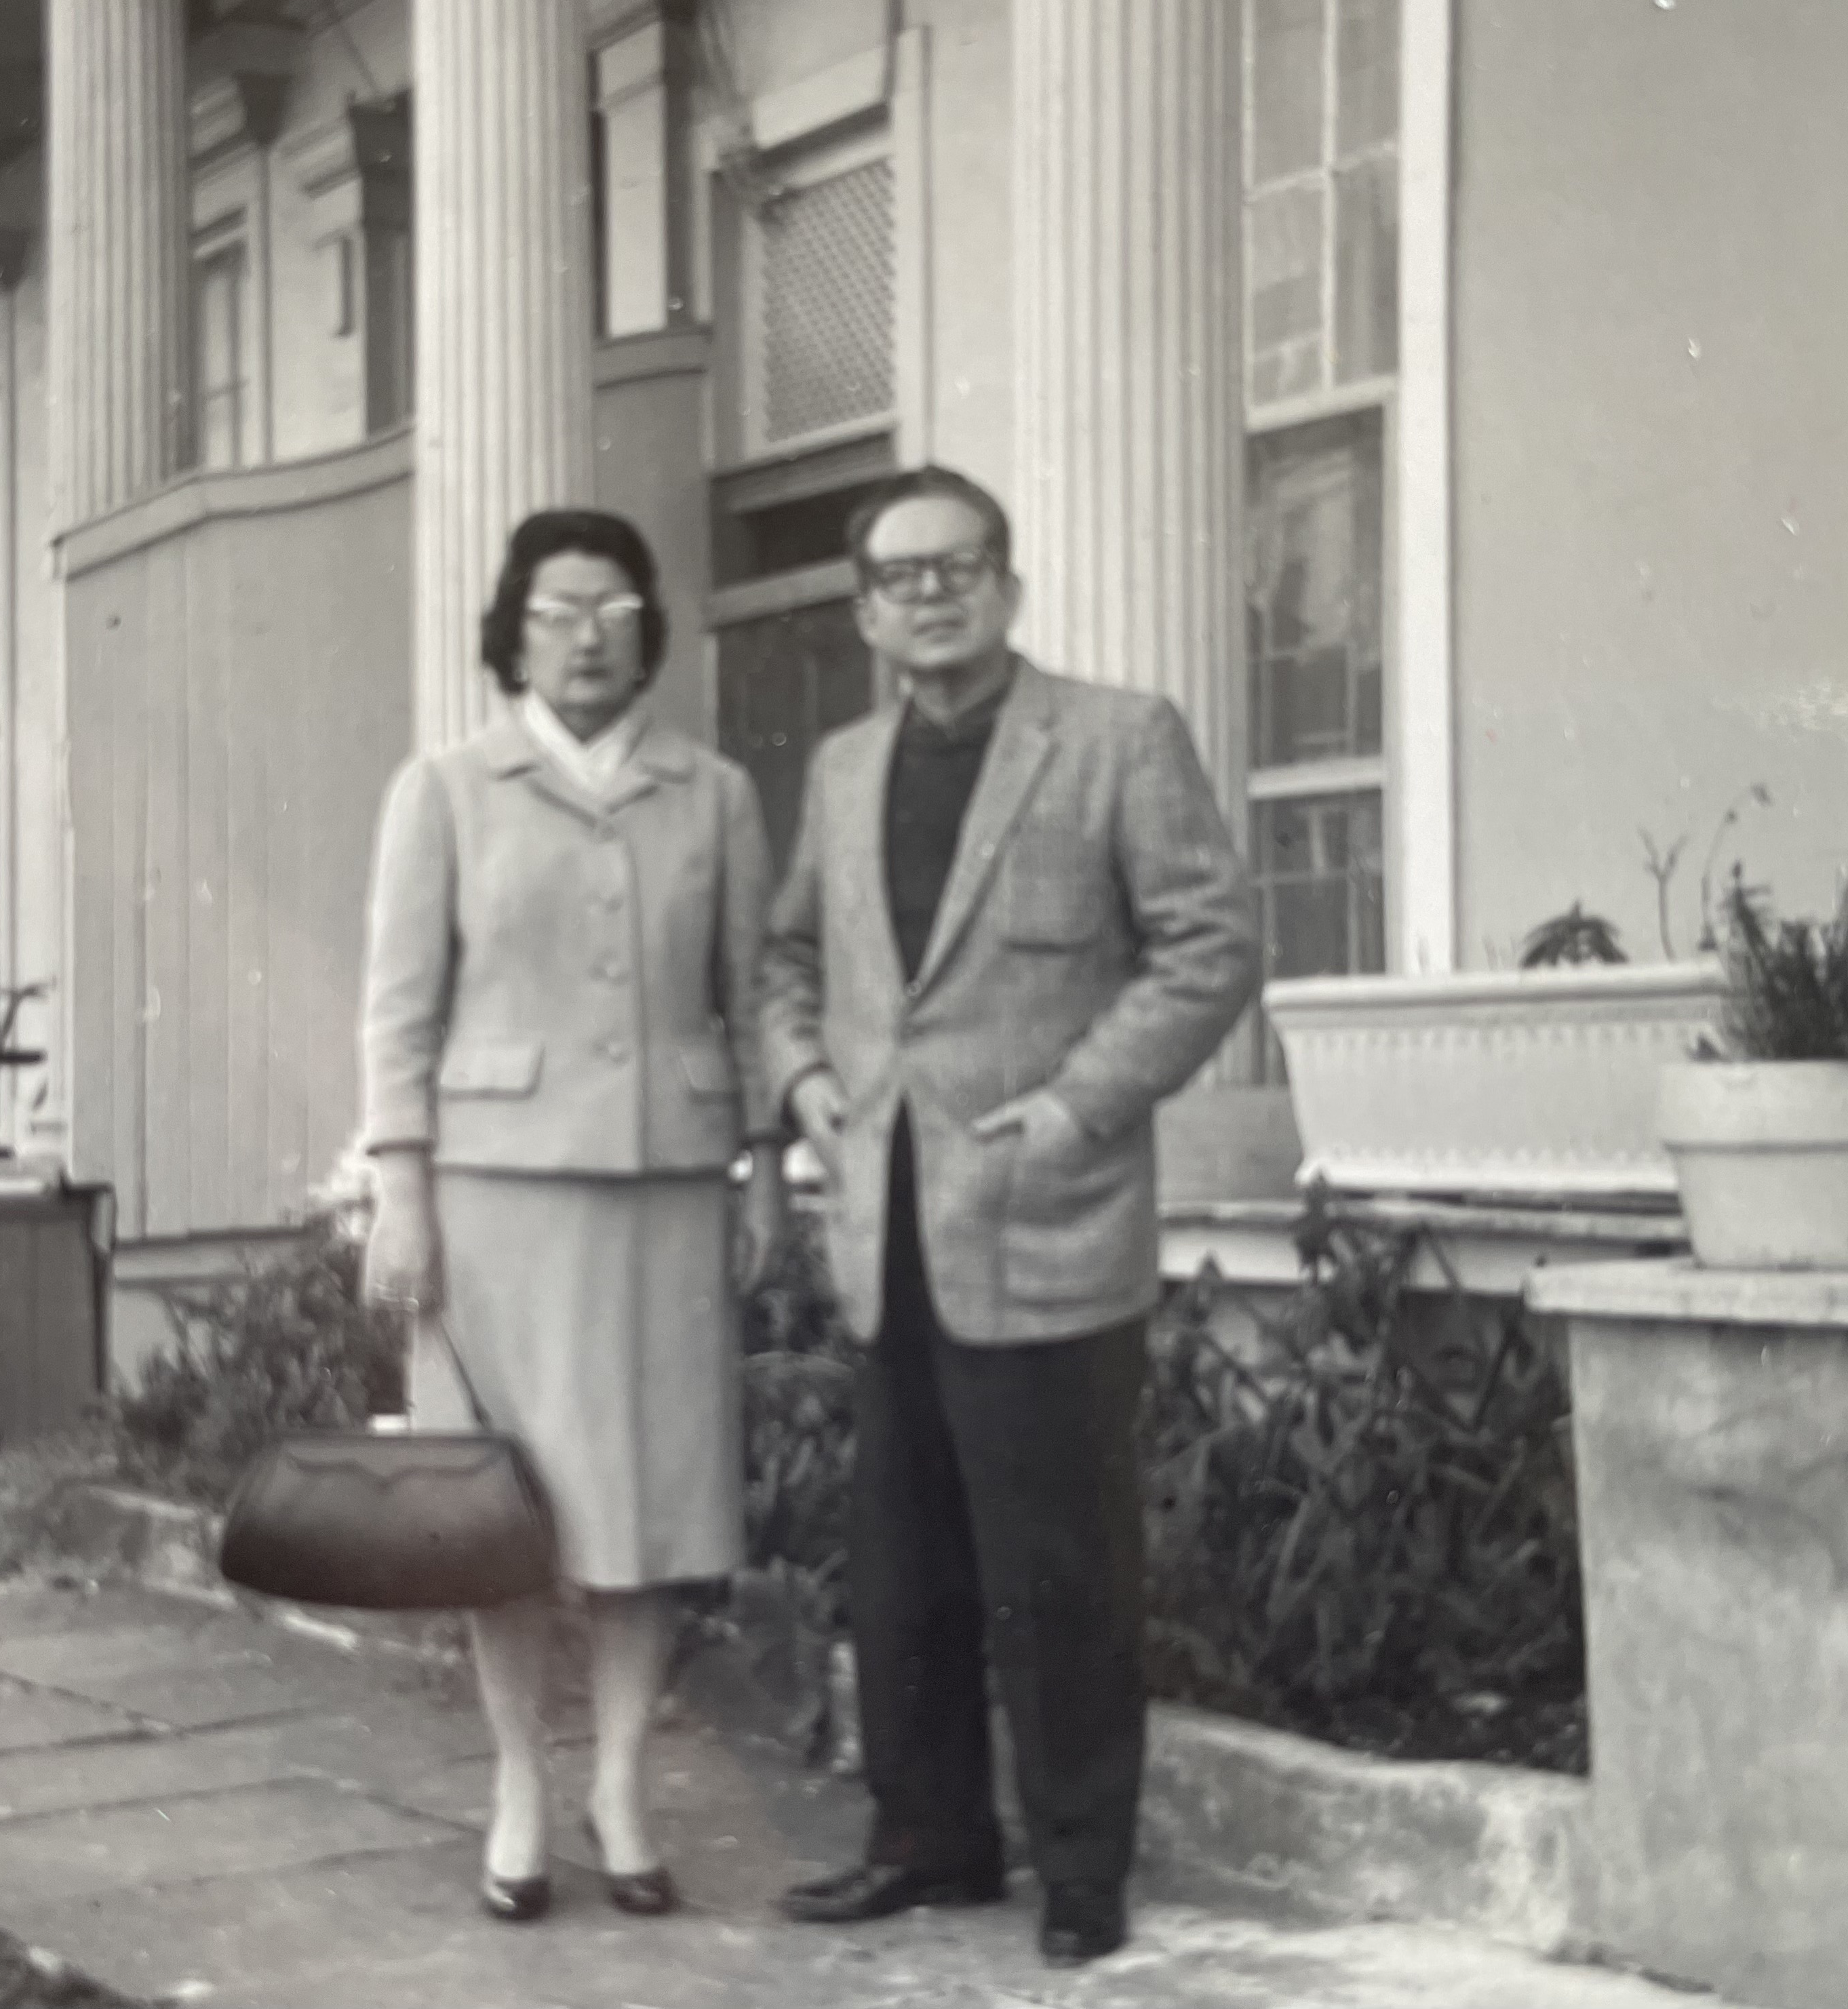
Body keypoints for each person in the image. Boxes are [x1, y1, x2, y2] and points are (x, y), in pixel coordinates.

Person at [759, 465, 1256, 1967]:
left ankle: (1082, 1865)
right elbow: (786, 957)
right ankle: (929, 1840)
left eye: (958, 564)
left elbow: (1207, 945)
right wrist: (800, 1087)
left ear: (1007, 584)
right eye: (899, 574)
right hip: (884, 1232)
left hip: (1043, 1220)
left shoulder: (1116, 738)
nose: (930, 591)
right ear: (862, 609)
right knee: (903, 1561)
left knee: (1059, 1567)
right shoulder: (845, 768)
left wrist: (1077, 1104)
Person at [357, 507, 787, 1924]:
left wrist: (766, 1169)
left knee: (645, 1502)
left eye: (610, 606)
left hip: (667, 1192)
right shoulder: (445, 789)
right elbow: (397, 1014)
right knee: (503, 1514)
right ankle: (517, 1786)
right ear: (512, 628)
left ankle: (617, 1783)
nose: (585, 634)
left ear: (647, 625)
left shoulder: (712, 791)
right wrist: (400, 1190)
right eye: (555, 609)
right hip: (490, 1204)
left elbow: (748, 991)